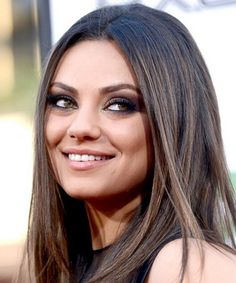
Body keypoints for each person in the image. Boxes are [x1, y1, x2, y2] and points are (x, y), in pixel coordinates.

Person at [19, 3, 236, 283]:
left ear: (174, 123)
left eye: (119, 105)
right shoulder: (74, 267)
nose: (81, 127)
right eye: (64, 101)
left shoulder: (189, 266)